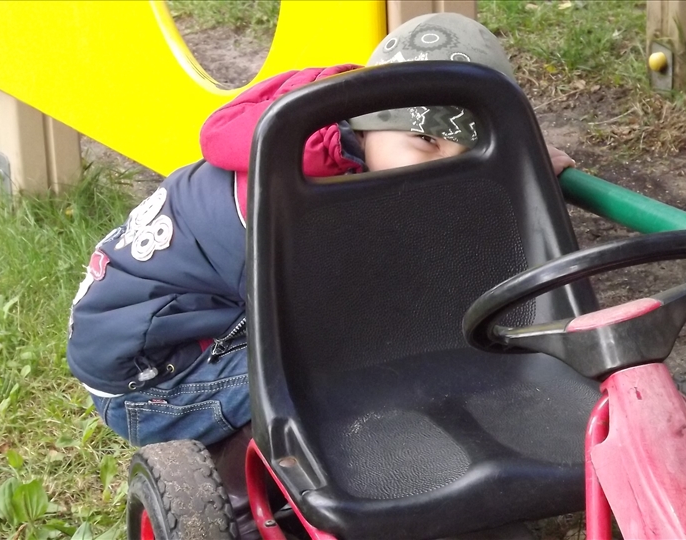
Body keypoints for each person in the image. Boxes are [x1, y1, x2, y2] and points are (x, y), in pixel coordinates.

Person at [67, 12, 571, 538]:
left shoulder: (358, 143)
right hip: (154, 380)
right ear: (367, 123)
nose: (436, 169)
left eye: (464, 157)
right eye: (424, 145)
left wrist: (519, 172)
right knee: (346, 373)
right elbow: (350, 313)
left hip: (211, 324)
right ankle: (265, 501)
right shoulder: (275, 204)